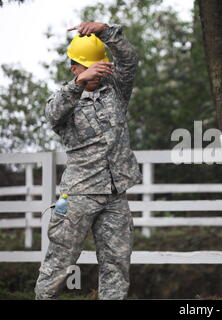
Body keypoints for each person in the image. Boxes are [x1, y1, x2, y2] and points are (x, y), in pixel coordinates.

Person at [35, 21, 142, 300]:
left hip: (115, 193)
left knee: (117, 265)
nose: (98, 73)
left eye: (101, 67)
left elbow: (129, 61)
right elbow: (52, 115)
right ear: (75, 69)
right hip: (79, 195)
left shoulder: (115, 90)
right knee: (59, 262)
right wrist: (77, 85)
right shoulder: (64, 99)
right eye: (90, 68)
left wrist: (106, 31)